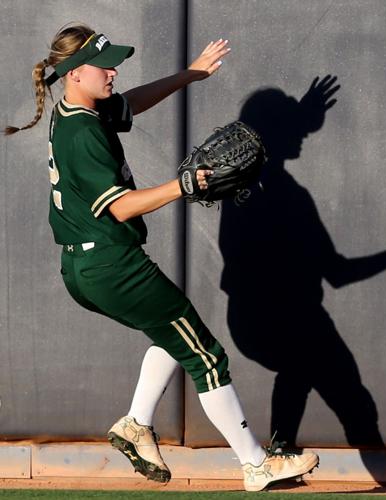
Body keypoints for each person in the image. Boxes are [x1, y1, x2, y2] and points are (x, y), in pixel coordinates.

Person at [4, 24, 318, 492]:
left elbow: (133, 102)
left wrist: (189, 74)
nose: (113, 72)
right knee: (206, 357)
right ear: (73, 73)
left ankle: (135, 424)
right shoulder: (83, 133)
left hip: (87, 265)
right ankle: (256, 465)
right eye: (103, 65)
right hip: (113, 264)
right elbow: (120, 206)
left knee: (172, 334)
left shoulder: (79, 109)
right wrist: (183, 186)